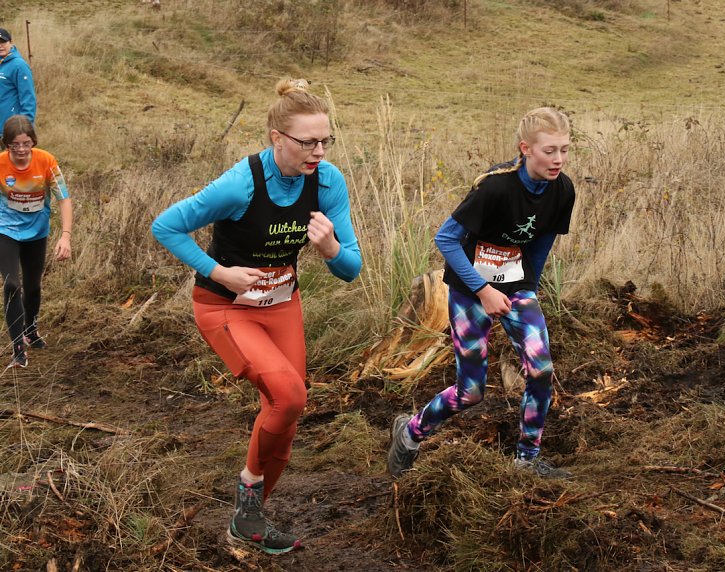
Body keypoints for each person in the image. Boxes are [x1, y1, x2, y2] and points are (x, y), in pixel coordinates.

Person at [152, 78, 361, 554]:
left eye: (325, 140)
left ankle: (249, 516)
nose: (318, 151)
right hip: (225, 307)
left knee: (288, 411)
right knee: (288, 393)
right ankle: (249, 491)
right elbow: (166, 225)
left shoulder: (327, 181)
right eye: (307, 142)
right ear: (276, 138)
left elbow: (351, 269)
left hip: (282, 304)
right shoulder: (240, 183)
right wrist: (219, 272)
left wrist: (330, 249)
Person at [387, 107, 576, 480]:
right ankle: (410, 433)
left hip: (516, 286)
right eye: (549, 150)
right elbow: (445, 240)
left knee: (541, 371)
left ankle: (527, 460)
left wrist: (528, 293)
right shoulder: (495, 186)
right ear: (526, 148)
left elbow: (541, 244)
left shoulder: (563, 189)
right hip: (470, 289)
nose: (558, 159)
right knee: (470, 392)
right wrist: (483, 290)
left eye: (565, 150)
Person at [0, 115, 72, 368]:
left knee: (32, 286)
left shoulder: (46, 161)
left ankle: (30, 330)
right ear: (6, 145)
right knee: (11, 285)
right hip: (5, 230)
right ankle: (17, 349)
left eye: (25, 143)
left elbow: (64, 198)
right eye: (14, 145)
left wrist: (65, 236)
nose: (20, 150)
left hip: (37, 232)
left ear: (33, 142)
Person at [0, 29, 36, 130]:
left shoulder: (19, 65)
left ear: (11, 43)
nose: (0, 46)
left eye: (3, 42)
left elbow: (28, 98)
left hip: (11, 129)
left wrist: (24, 127)